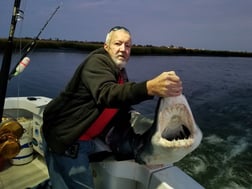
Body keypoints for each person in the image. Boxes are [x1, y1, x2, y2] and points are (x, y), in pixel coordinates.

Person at [42, 26, 183, 189]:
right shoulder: (97, 62)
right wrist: (148, 88)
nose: (123, 49)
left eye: (128, 45)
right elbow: (107, 93)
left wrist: (144, 155)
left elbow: (121, 112)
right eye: (118, 43)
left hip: (87, 139)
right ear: (106, 47)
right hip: (67, 139)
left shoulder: (120, 74)